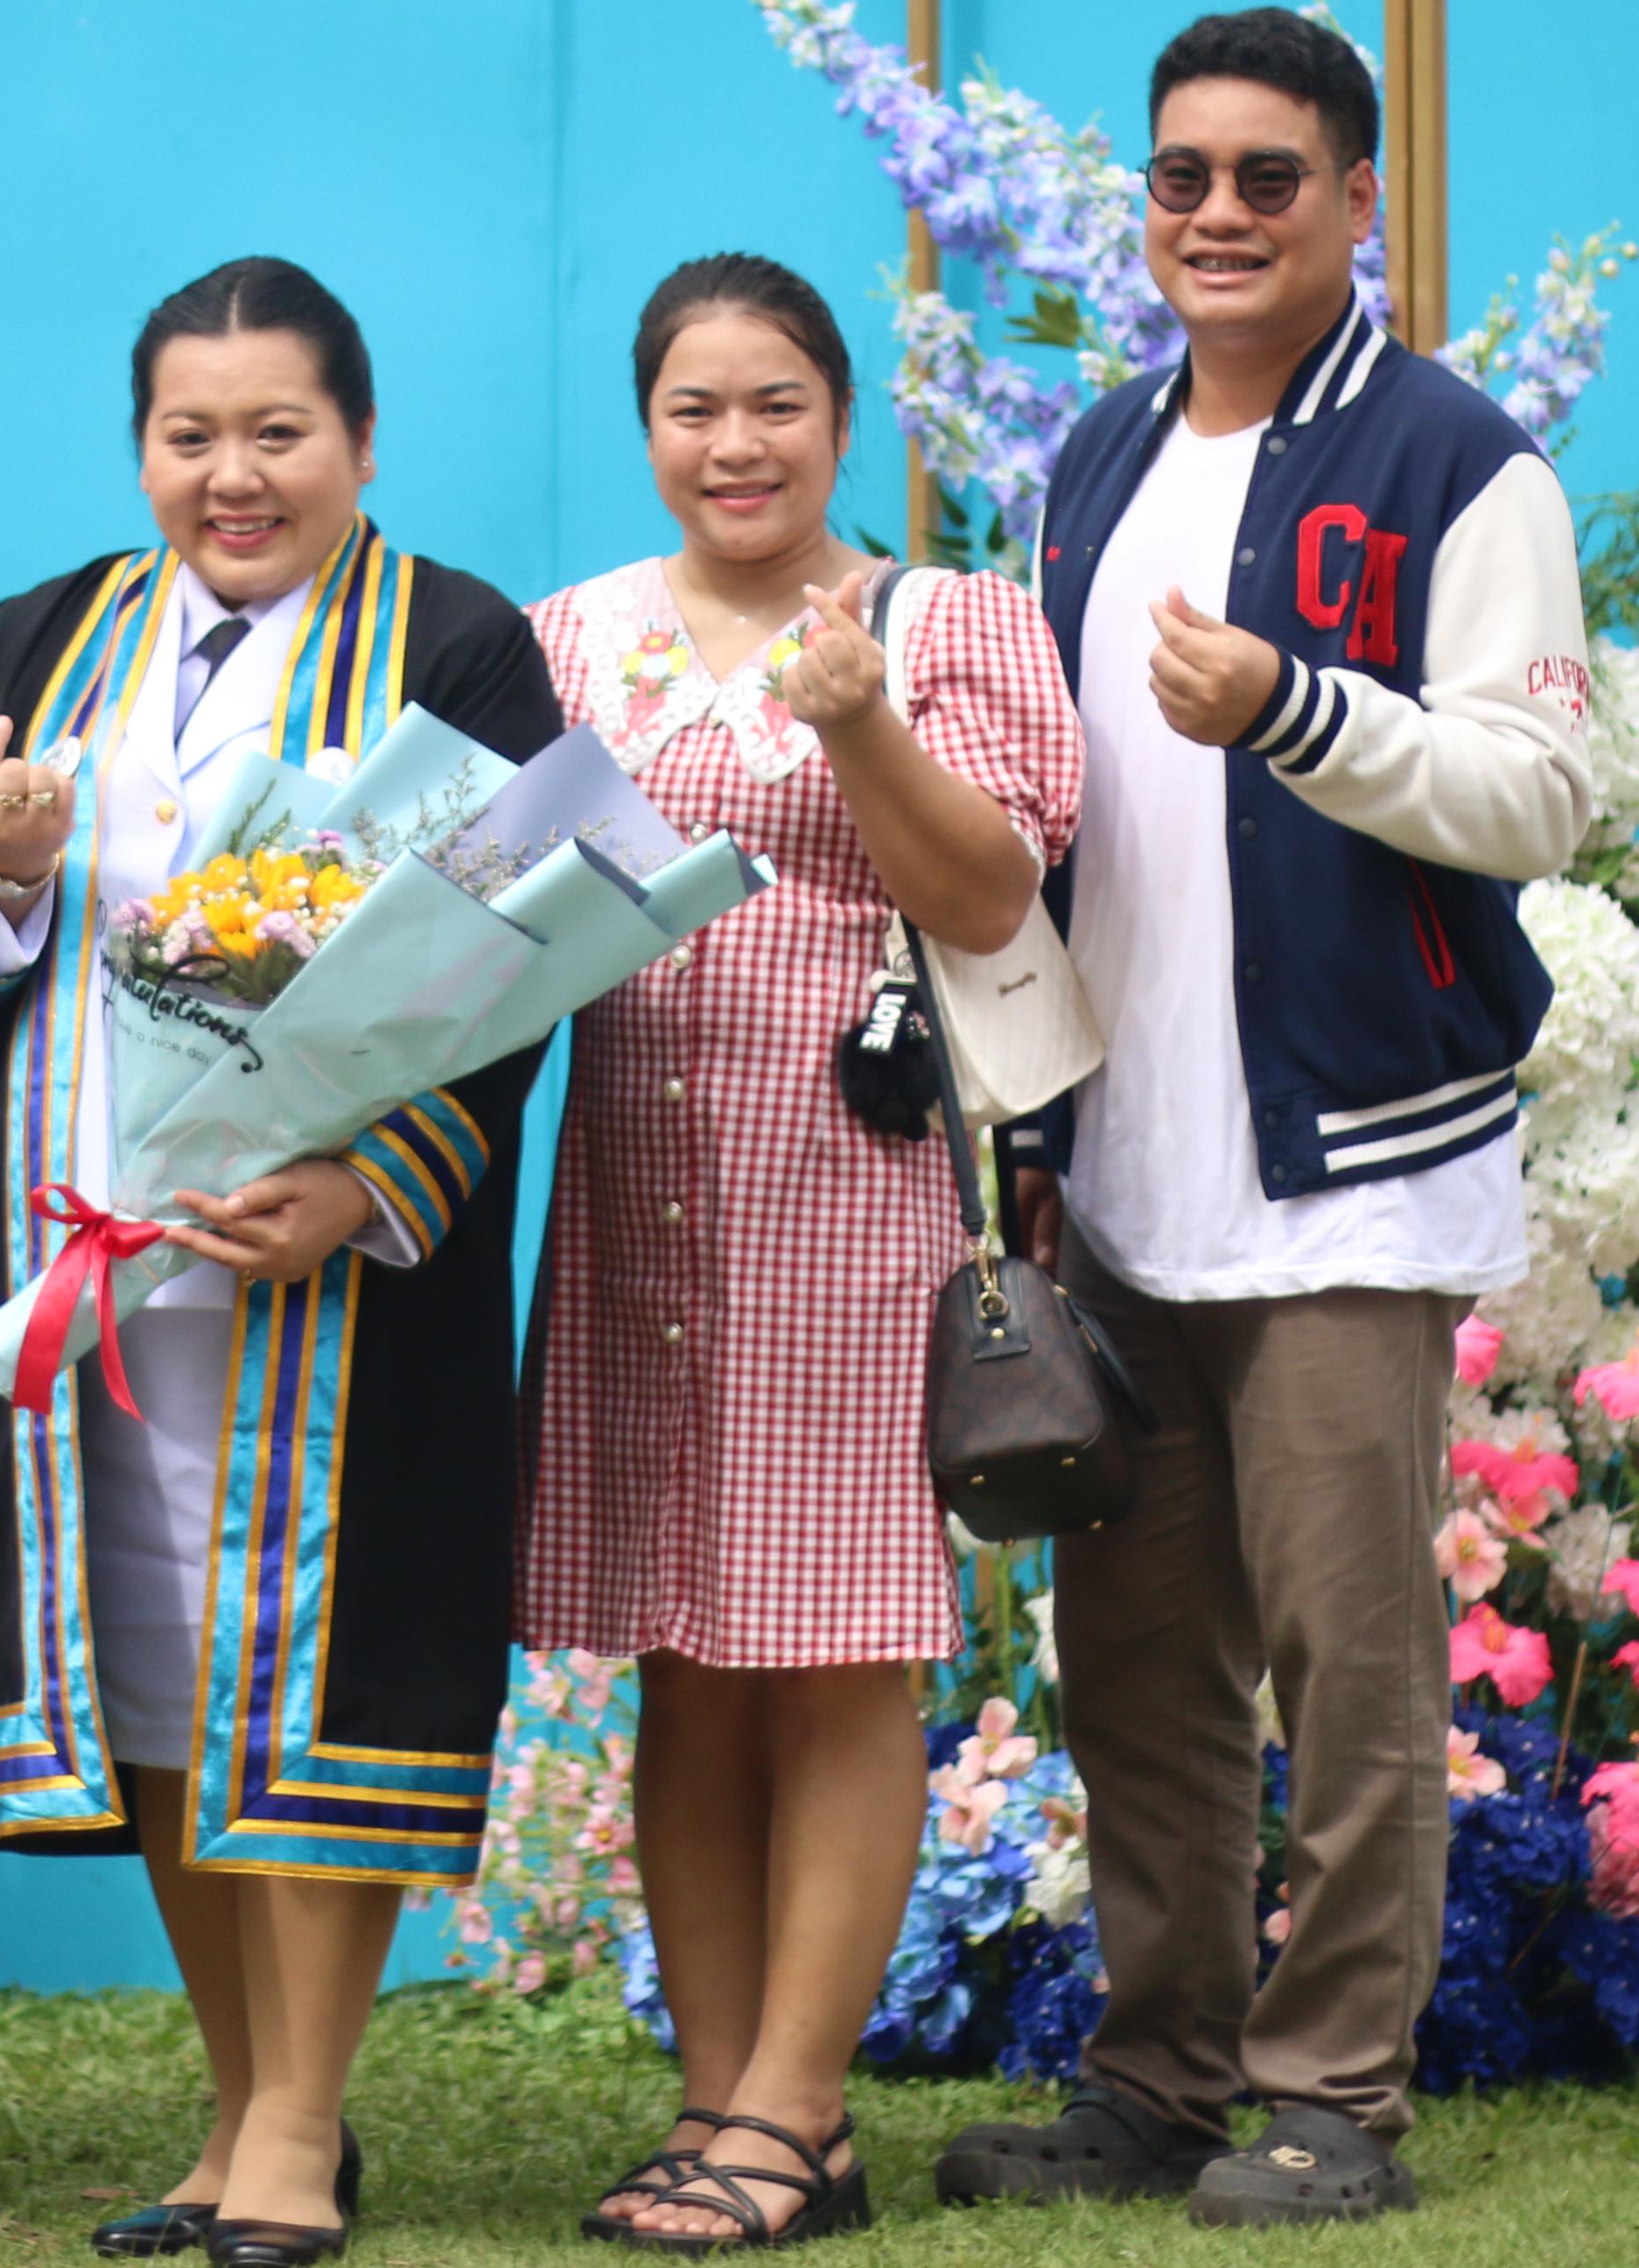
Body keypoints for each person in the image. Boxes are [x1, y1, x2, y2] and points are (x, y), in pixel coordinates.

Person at [935, 10, 1591, 2232]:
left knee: (1351, 1671)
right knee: (1136, 1681)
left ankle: (1336, 2104)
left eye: (1269, 179)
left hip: (1350, 1173)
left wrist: (1303, 708)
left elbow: (1540, 792)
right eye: (1184, 176)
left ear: (1359, 203)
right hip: (1123, 1178)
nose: (1218, 214)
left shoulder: (1458, 465)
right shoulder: (1099, 460)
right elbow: (1056, 811)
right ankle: (1156, 2085)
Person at [0, 260, 561, 2268]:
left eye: (279, 434)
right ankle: (243, 2107)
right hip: (85, 1250)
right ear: (142, 447)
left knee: (306, 1665)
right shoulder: (45, 636)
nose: (231, 476)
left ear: (359, 441)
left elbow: (515, 982)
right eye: (191, 435)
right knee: (158, 1675)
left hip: (329, 1272)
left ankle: (302, 2128)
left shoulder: (457, 646)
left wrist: (371, 1184)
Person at [520, 256, 1083, 2249]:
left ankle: (796, 2103)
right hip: (636, 1199)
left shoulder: (944, 627)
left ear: (842, 421)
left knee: (840, 1655)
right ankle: (723, 2107)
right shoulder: (570, 641)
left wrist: (859, 732)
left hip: (852, 1207)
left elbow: (995, 894)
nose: (733, 444)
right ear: (648, 425)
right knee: (686, 1657)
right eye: (694, 406)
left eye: (775, 404)